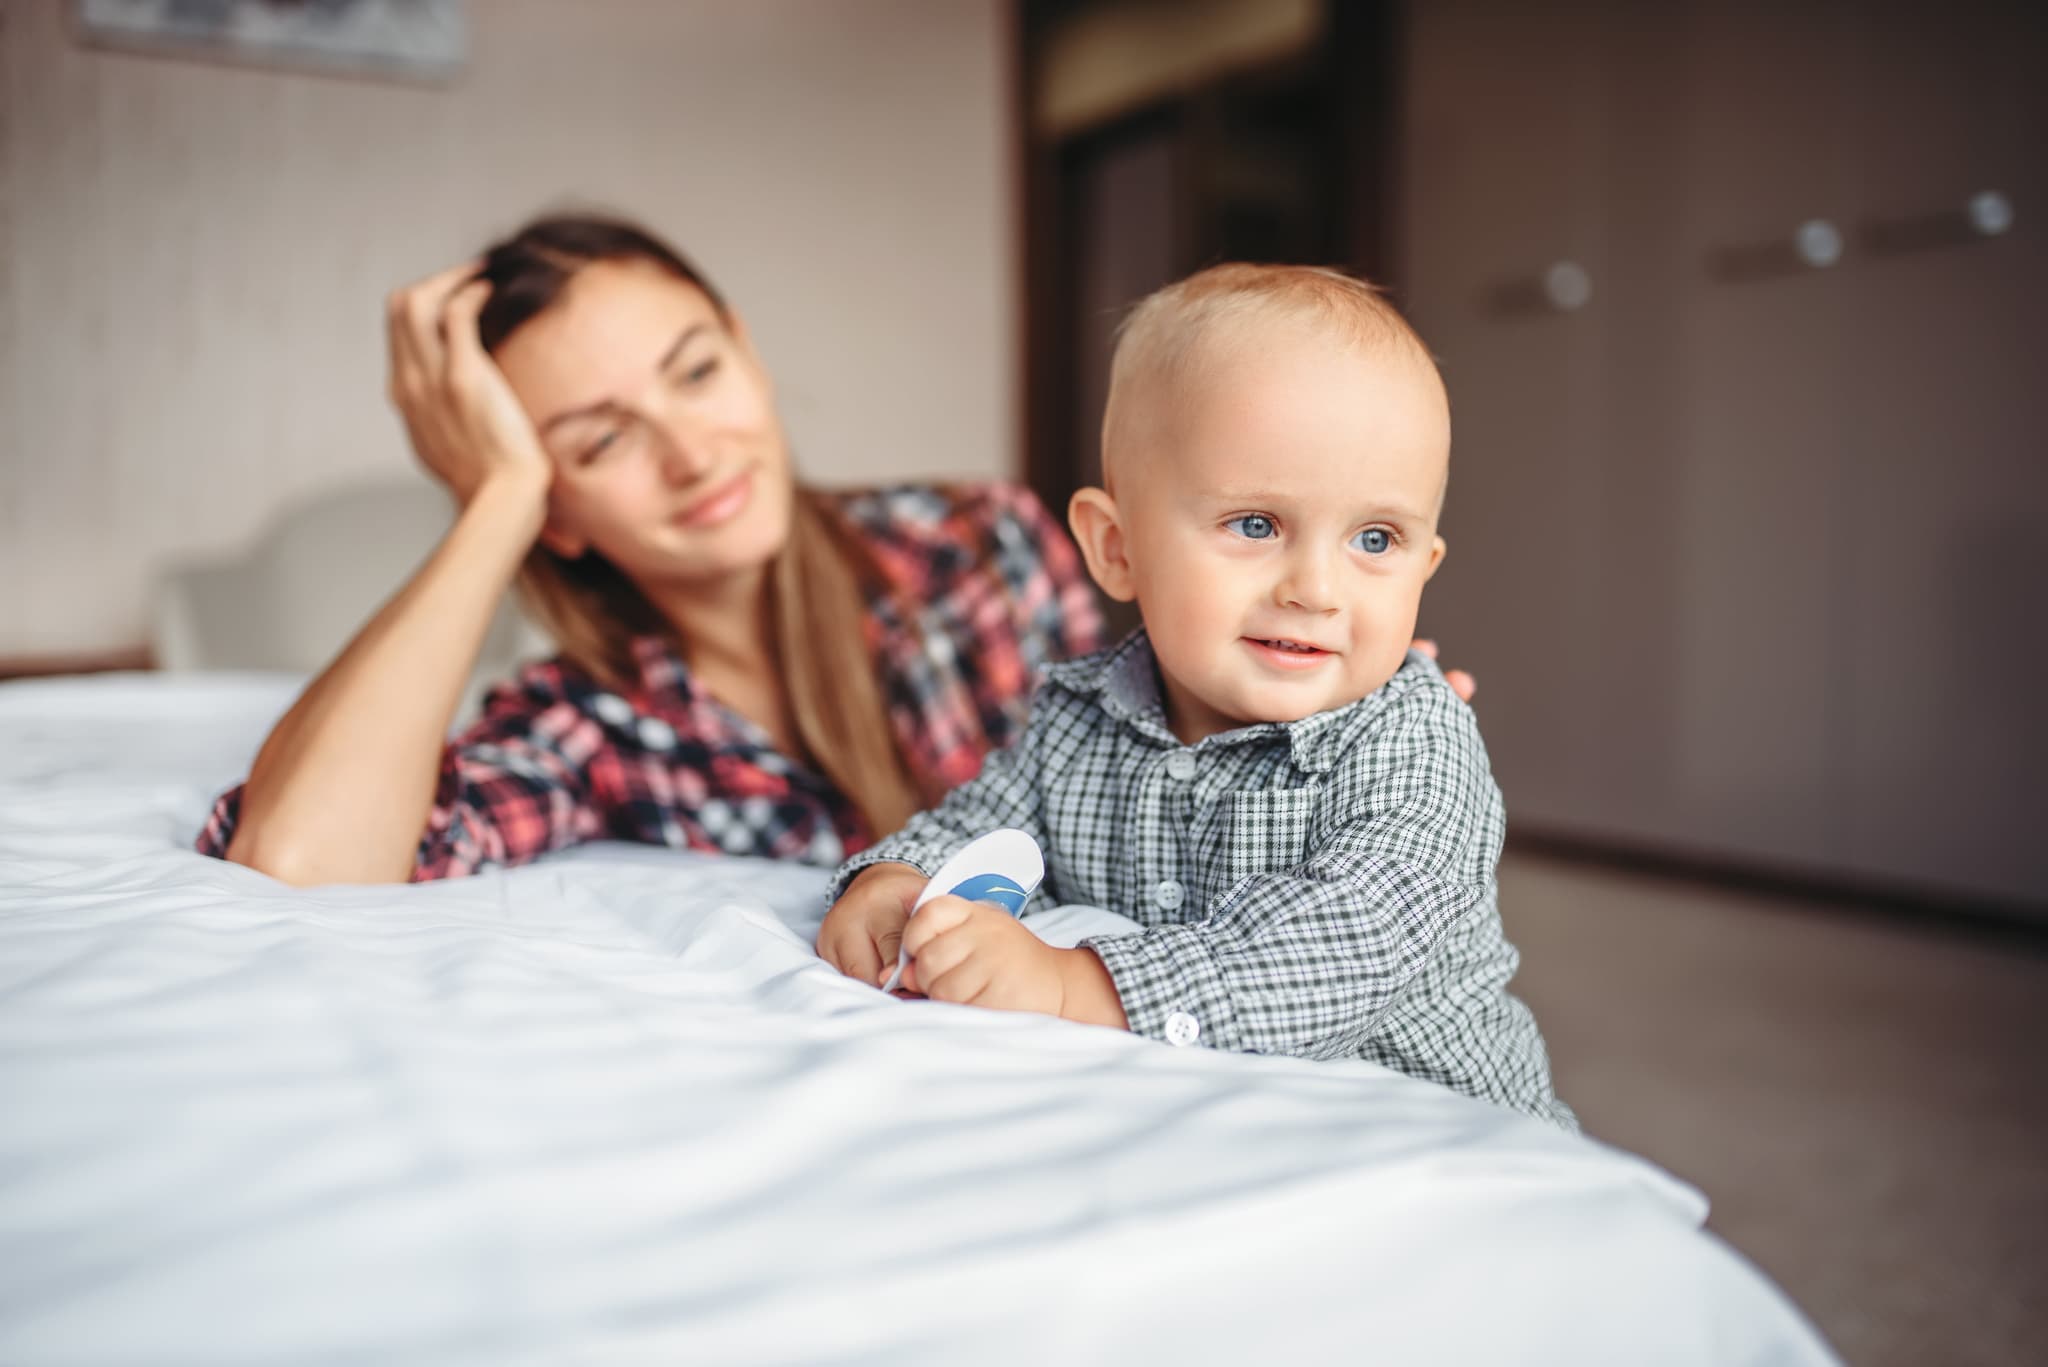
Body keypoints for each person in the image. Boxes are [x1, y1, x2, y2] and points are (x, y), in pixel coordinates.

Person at [817, 264, 1569, 1126]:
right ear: (1117, 548)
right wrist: (894, 879)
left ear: (1425, 568)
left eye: (1375, 538)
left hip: (1427, 1128)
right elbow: (986, 821)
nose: (1317, 588)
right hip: (1199, 1119)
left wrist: (1075, 982)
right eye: (1256, 524)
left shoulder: (1416, 746)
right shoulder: (1082, 717)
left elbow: (1338, 945)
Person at [196, 214, 1106, 884]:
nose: (694, 455)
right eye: (603, 441)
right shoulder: (596, 722)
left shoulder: (978, 545)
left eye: (699, 373)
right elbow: (298, 855)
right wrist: (496, 501)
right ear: (557, 517)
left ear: (746, 349)